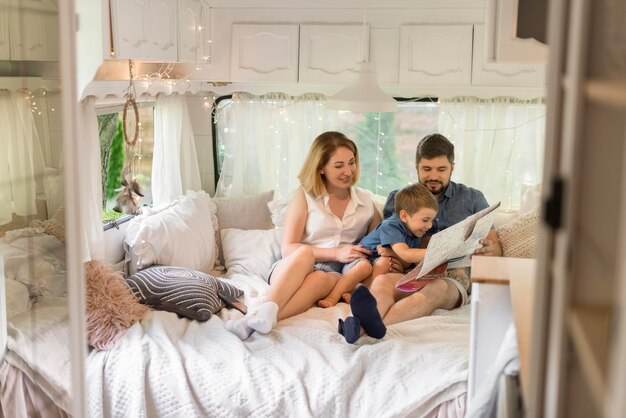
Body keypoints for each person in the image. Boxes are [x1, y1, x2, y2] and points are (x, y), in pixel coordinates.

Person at [226, 131, 393, 340]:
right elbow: (288, 248)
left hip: (332, 275)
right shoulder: (305, 195)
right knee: (305, 252)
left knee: (320, 279)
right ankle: (263, 312)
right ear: (321, 167)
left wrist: (388, 255)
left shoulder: (365, 202)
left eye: (351, 163)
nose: (348, 171)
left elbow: (376, 243)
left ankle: (252, 322)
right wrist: (337, 253)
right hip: (293, 266)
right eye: (339, 165)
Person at [338, 133, 502, 343]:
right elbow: (394, 248)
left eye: (441, 169)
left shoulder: (472, 198)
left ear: (452, 166)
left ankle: (365, 330)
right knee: (382, 282)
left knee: (435, 290)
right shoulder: (399, 198)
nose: (433, 176)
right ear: (416, 167)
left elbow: (496, 248)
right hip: (412, 270)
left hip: (452, 274)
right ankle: (366, 328)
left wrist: (488, 250)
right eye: (426, 169)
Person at [327, 183, 437, 312]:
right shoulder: (392, 226)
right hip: (357, 262)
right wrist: (437, 252)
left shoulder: (416, 232)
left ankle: (363, 293)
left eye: (432, 221)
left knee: (386, 262)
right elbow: (406, 254)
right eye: (425, 220)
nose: (429, 226)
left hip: (375, 263)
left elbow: (407, 261)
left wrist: (394, 255)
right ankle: (332, 297)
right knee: (365, 266)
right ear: (403, 216)